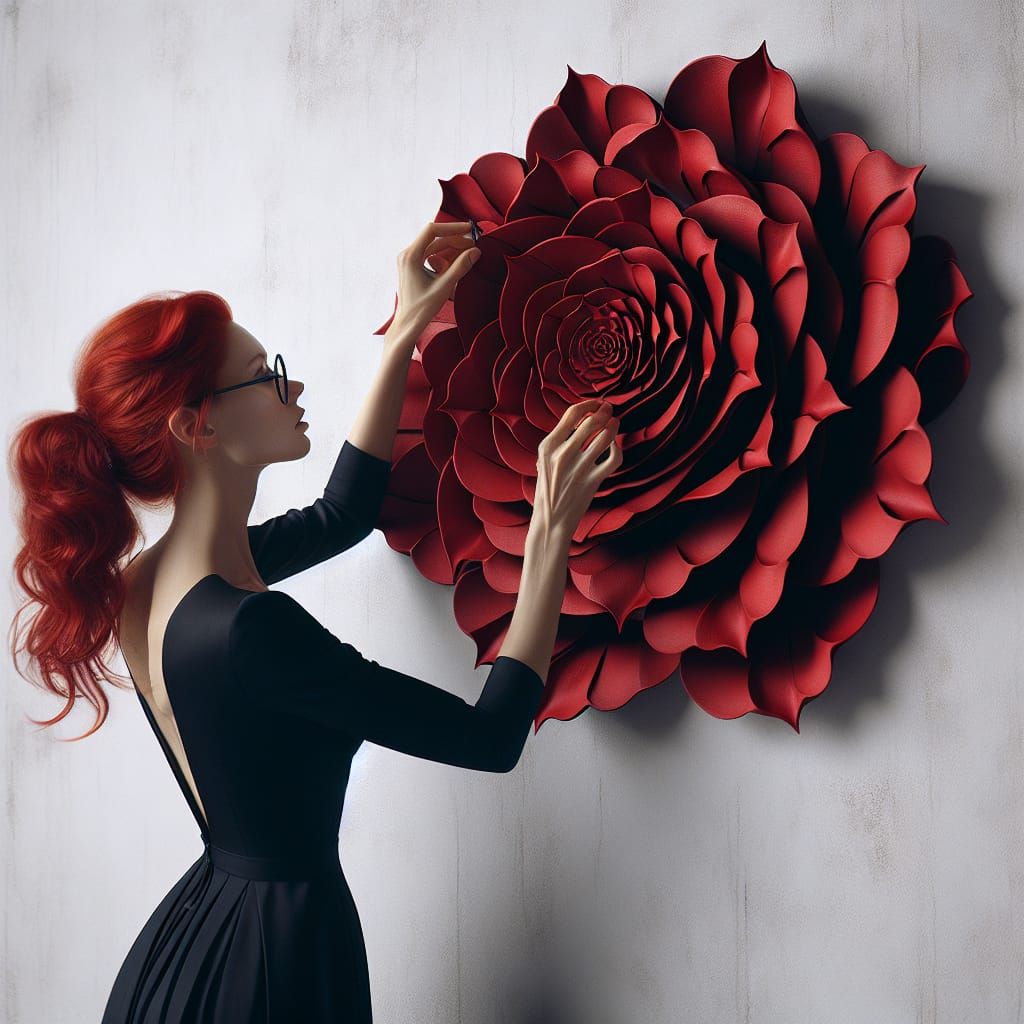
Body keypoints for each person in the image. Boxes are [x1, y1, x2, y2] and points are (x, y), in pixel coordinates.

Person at [8, 219, 622, 1022]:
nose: (292, 390)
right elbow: (491, 738)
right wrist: (548, 528)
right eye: (266, 376)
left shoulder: (147, 586)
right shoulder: (249, 628)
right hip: (276, 962)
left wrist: (406, 330)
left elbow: (343, 513)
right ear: (198, 426)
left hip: (200, 938)